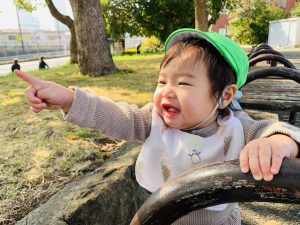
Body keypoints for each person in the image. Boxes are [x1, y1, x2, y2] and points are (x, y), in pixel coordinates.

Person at [15, 28, 299, 225]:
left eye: (184, 83)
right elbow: (114, 115)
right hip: (163, 218)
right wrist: (68, 98)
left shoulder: (236, 127)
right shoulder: (155, 121)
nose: (167, 91)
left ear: (225, 95)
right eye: (162, 82)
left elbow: (274, 131)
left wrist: (277, 142)